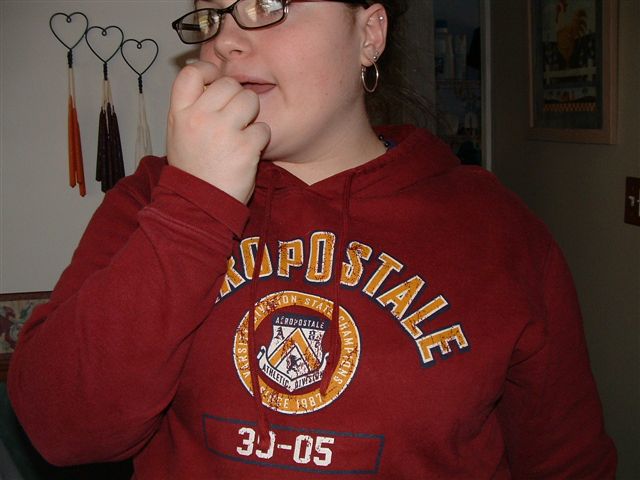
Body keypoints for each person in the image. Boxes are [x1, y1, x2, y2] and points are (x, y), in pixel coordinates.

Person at [8, 0, 616, 478]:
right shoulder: (151, 200)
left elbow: (566, 464)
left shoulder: (498, 230)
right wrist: (194, 208)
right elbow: (63, 430)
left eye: (269, 3)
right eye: (211, 15)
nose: (226, 40)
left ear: (369, 34)